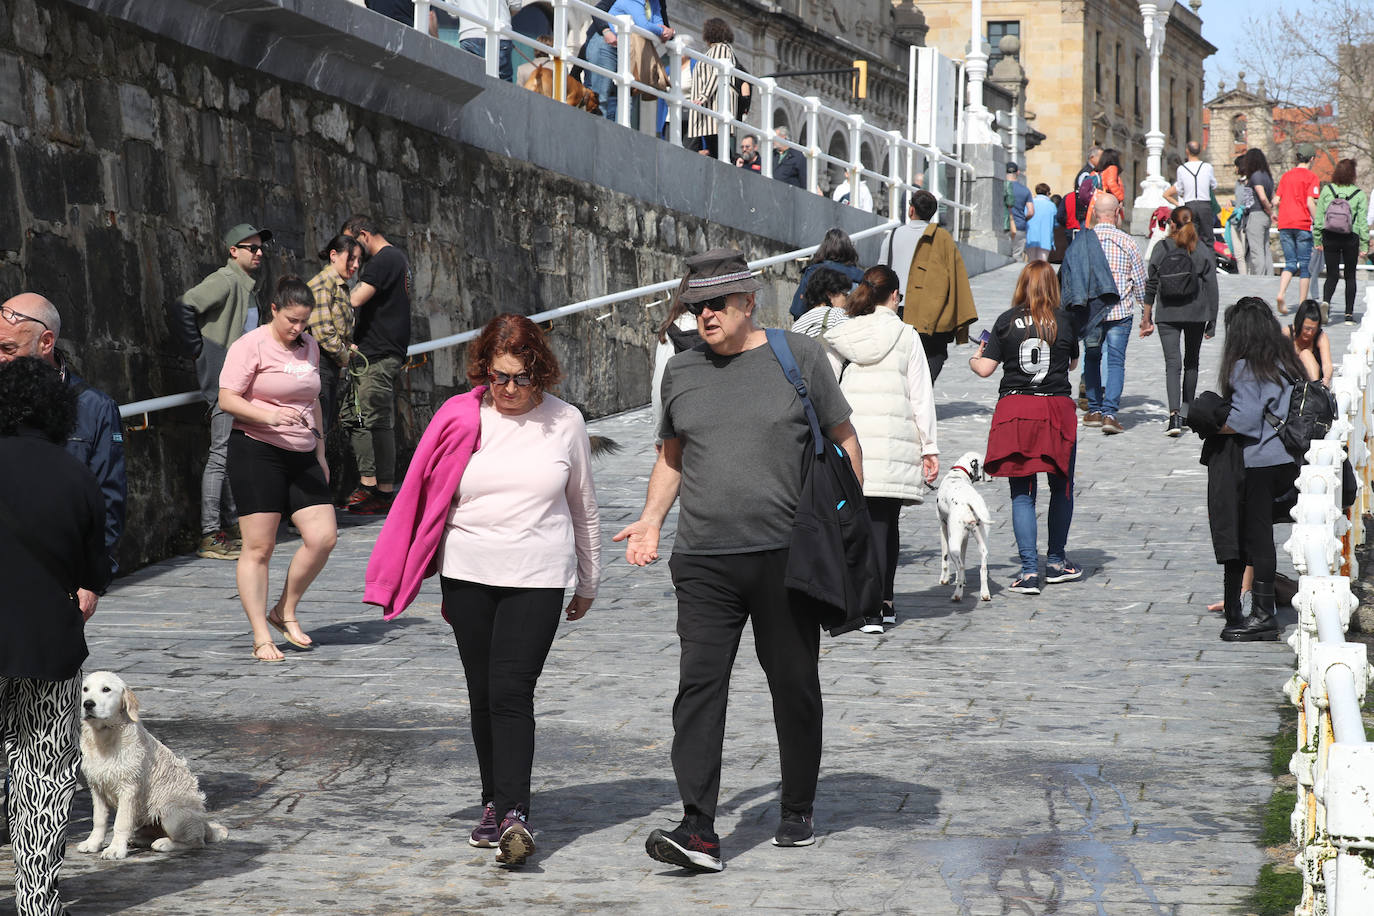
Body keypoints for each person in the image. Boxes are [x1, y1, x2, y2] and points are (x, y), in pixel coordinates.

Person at [614, 248, 861, 871]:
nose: (705, 317)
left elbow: (845, 442)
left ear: (749, 302)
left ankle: (797, 806)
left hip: (785, 557)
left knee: (794, 685)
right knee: (698, 689)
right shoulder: (682, 371)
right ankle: (698, 827)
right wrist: (650, 521)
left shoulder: (798, 358)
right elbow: (672, 457)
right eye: (696, 306)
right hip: (703, 560)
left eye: (717, 305)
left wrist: (840, 531)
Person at [366, 314, 599, 867]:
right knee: (481, 692)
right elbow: (427, 487)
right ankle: (492, 801)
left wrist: (589, 579)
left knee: (511, 691)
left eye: (521, 378)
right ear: (484, 372)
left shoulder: (565, 422)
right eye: (499, 378)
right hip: (468, 572)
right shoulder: (460, 417)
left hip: (537, 577)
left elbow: (582, 504)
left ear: (540, 371)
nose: (510, 390)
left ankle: (516, 811)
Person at [0, 357, 110, 916]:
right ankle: (37, 904)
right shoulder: (76, 475)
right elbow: (97, 569)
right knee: (42, 777)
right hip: (49, 645)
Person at [218, 277, 336, 662]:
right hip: (256, 450)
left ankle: (283, 610)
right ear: (273, 309)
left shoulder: (310, 347)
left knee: (323, 538)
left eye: (304, 322)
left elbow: (313, 400)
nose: (297, 329)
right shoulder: (249, 345)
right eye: (291, 321)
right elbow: (227, 399)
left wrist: (320, 451)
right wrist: (270, 416)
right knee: (260, 547)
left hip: (301, 451)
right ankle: (259, 635)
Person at [822, 265, 937, 633]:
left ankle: (861, 603)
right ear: (895, 297)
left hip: (850, 440)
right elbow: (921, 396)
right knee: (885, 524)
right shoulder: (906, 335)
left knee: (853, 524)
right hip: (893, 441)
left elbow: (826, 388)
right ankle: (882, 604)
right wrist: (929, 447)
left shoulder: (842, 334)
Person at [0, 293, 126, 613]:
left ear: (46, 342)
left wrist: (92, 581)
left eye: (8, 349)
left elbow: (107, 499)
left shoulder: (94, 408)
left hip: (61, 578)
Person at [969, 262, 1081, 595]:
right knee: (1062, 486)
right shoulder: (1065, 321)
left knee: (1023, 493)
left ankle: (1029, 571)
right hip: (1056, 408)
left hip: (1017, 408)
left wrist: (975, 358)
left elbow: (986, 369)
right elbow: (1072, 363)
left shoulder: (1006, 321)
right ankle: (1057, 562)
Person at [170, 223, 272, 560]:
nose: (258, 253)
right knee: (220, 454)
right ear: (233, 251)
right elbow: (184, 305)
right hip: (225, 382)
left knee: (229, 454)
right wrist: (200, 352)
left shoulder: (247, 286)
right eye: (251, 248)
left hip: (241, 383)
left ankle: (229, 526)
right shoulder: (226, 280)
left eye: (260, 248)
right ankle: (210, 534)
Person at [1213, 297, 1305, 641]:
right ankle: (1266, 606)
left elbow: (1244, 421)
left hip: (1262, 461)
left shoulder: (1246, 366)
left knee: (1258, 537)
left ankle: (1263, 615)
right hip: (1290, 461)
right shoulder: (1285, 361)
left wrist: (1210, 423)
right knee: (1263, 534)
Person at [341, 215, 412, 515]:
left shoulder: (386, 259)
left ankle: (378, 489)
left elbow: (355, 299)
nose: (350, 253)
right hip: (376, 351)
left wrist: (324, 294)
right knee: (354, 415)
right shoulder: (397, 259)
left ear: (364, 234)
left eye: (351, 242)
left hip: (379, 354)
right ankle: (373, 485)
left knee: (375, 418)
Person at [882, 191, 978, 381]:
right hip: (929, 314)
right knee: (934, 354)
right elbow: (955, 277)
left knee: (900, 359)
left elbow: (881, 272)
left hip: (896, 310)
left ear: (911, 209)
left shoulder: (892, 236)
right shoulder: (943, 238)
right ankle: (920, 392)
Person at [1142, 207, 1219, 437]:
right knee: (1191, 362)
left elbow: (1151, 284)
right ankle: (1186, 412)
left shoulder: (1162, 248)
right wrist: (1212, 320)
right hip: (1196, 313)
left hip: (1167, 313)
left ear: (1172, 224)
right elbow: (1212, 287)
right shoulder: (1201, 249)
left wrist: (1146, 316)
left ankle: (1174, 416)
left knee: (1172, 365)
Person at [1082, 193, 1148, 435]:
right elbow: (1140, 281)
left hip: (1091, 313)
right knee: (1116, 361)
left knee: (1091, 358)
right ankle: (1110, 414)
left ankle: (1094, 410)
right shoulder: (1128, 241)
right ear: (1117, 213)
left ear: (1095, 214)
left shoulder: (1084, 241)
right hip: (1120, 312)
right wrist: (1146, 313)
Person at [306, 234, 362, 437]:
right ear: (333, 255)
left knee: (324, 426)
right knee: (318, 428)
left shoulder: (338, 285)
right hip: (319, 363)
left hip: (330, 365)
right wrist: (345, 355)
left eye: (358, 260)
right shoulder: (324, 284)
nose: (355, 265)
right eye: (351, 259)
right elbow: (324, 332)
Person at [1314, 158, 1368, 324]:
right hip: (1350, 237)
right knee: (1350, 276)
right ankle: (1348, 315)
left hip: (1330, 236)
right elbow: (1362, 223)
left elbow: (1319, 216)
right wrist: (1364, 244)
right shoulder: (1359, 194)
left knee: (1332, 274)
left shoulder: (1327, 190)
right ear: (1353, 174)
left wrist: (1317, 238)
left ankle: (1326, 304)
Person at [1274, 143, 1322, 314]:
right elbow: (1310, 202)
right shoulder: (1312, 177)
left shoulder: (1286, 176)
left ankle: (1281, 293)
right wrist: (1319, 222)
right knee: (1305, 265)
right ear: (1312, 159)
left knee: (1290, 263)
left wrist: (1276, 213)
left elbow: (1275, 200)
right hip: (1302, 224)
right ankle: (1302, 303)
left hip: (1285, 223)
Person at [788, 228, 865, 320]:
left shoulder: (813, 272)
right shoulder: (861, 277)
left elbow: (797, 309)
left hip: (816, 326)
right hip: (850, 325)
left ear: (824, 248)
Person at [687, 18, 736, 158]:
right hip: (708, 106)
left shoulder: (721, 49)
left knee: (716, 145)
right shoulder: (714, 50)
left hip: (713, 105)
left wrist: (703, 96)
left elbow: (717, 74)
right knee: (715, 145)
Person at [448, 0, 518, 82]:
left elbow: (452, 10)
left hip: (470, 33)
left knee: (471, 83)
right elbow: (515, 5)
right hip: (501, 34)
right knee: (503, 86)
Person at [1164, 141, 1218, 248]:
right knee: (1208, 239)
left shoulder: (1182, 169)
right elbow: (1214, 185)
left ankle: (1192, 262)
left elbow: (1180, 190)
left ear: (1187, 151)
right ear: (1200, 151)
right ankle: (1209, 262)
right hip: (1205, 205)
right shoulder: (1207, 167)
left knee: (1190, 238)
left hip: (1189, 206)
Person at [1239, 148, 1276, 278]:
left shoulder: (1256, 176)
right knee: (1265, 248)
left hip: (1256, 215)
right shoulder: (1268, 176)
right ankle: (1270, 277)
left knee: (1256, 250)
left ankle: (1260, 279)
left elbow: (1262, 197)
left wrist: (1268, 209)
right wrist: (1271, 213)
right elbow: (1274, 197)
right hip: (1265, 217)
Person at [789, 267, 853, 338]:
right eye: (845, 294)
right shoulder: (837, 315)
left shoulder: (797, 325)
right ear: (830, 294)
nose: (847, 299)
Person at [1283, 299, 1333, 386]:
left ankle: (1315, 388)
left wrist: (1327, 379)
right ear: (1299, 323)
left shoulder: (1321, 337)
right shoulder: (1286, 334)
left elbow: (1327, 364)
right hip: (1291, 378)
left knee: (1305, 354)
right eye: (1307, 328)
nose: (1310, 333)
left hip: (1313, 378)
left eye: (1313, 329)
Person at [1067, 146, 1102, 235]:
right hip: (1085, 215)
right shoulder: (1086, 173)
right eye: (1100, 157)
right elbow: (1083, 195)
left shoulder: (1094, 172)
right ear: (1092, 157)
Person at [1004, 162, 1034, 261]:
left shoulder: (1000, 187)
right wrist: (1023, 219)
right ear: (1018, 172)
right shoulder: (1025, 190)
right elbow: (1031, 211)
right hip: (1019, 227)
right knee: (1017, 257)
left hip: (1003, 226)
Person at [1025, 182, 1057, 261]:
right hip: (1045, 238)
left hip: (1030, 237)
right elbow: (1056, 223)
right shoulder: (1051, 205)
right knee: (1042, 263)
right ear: (1047, 193)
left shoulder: (1030, 203)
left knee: (1031, 262)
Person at [1093, 148, 1126, 213]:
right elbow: (1111, 184)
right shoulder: (1112, 168)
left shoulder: (1099, 171)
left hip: (1099, 200)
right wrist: (1120, 198)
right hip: (1109, 201)